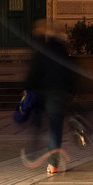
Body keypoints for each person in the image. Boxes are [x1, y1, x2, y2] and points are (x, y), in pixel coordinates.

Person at [22, 19, 73, 175]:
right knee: (55, 127)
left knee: (40, 123)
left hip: (43, 92)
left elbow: (35, 69)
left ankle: (35, 150)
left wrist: (28, 87)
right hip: (57, 92)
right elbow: (70, 70)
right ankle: (53, 163)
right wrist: (70, 90)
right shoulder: (62, 49)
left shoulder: (41, 48)